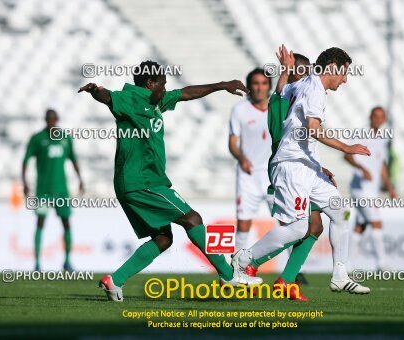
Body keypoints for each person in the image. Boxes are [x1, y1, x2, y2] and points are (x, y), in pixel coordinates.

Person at [78, 60, 262, 302]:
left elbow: (186, 93)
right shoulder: (130, 99)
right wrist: (95, 91)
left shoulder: (157, 101)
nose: (166, 88)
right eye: (163, 84)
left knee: (163, 239)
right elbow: (108, 98)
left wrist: (222, 85)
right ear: (150, 83)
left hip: (143, 182)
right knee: (192, 218)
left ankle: (115, 281)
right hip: (141, 182)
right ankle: (229, 275)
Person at [232, 46, 371, 295]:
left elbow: (281, 91)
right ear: (332, 68)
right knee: (298, 228)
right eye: (344, 72)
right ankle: (244, 259)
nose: (346, 79)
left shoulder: (306, 82)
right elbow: (313, 129)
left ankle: (340, 274)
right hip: (292, 166)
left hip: (307, 166)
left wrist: (285, 70)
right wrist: (347, 147)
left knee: (342, 213)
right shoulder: (315, 90)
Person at [22, 109, 84, 272]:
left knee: (66, 223)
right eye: (48, 119)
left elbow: (74, 159)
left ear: (57, 120)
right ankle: (36, 263)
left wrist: (81, 180)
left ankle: (67, 261)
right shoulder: (37, 139)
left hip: (61, 190)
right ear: (45, 120)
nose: (51, 122)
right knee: (40, 223)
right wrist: (25, 182)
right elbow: (25, 161)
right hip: (43, 191)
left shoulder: (65, 138)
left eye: (53, 119)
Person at [345, 106, 396, 271]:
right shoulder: (361, 133)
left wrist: (390, 188)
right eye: (376, 116)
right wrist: (361, 169)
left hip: (371, 189)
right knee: (376, 222)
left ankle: (347, 265)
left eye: (382, 117)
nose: (378, 119)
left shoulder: (381, 138)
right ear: (370, 117)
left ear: (384, 119)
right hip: (360, 187)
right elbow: (347, 155)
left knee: (361, 224)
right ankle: (382, 264)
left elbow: (381, 165)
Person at [228, 68, 273, 250]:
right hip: (248, 174)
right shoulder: (240, 110)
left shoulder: (278, 108)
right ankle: (237, 265)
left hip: (274, 176)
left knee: (287, 224)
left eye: (264, 83)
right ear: (249, 86)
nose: (259, 87)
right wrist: (242, 158)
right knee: (244, 223)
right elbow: (232, 143)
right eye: (255, 83)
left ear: (269, 86)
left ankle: (292, 270)